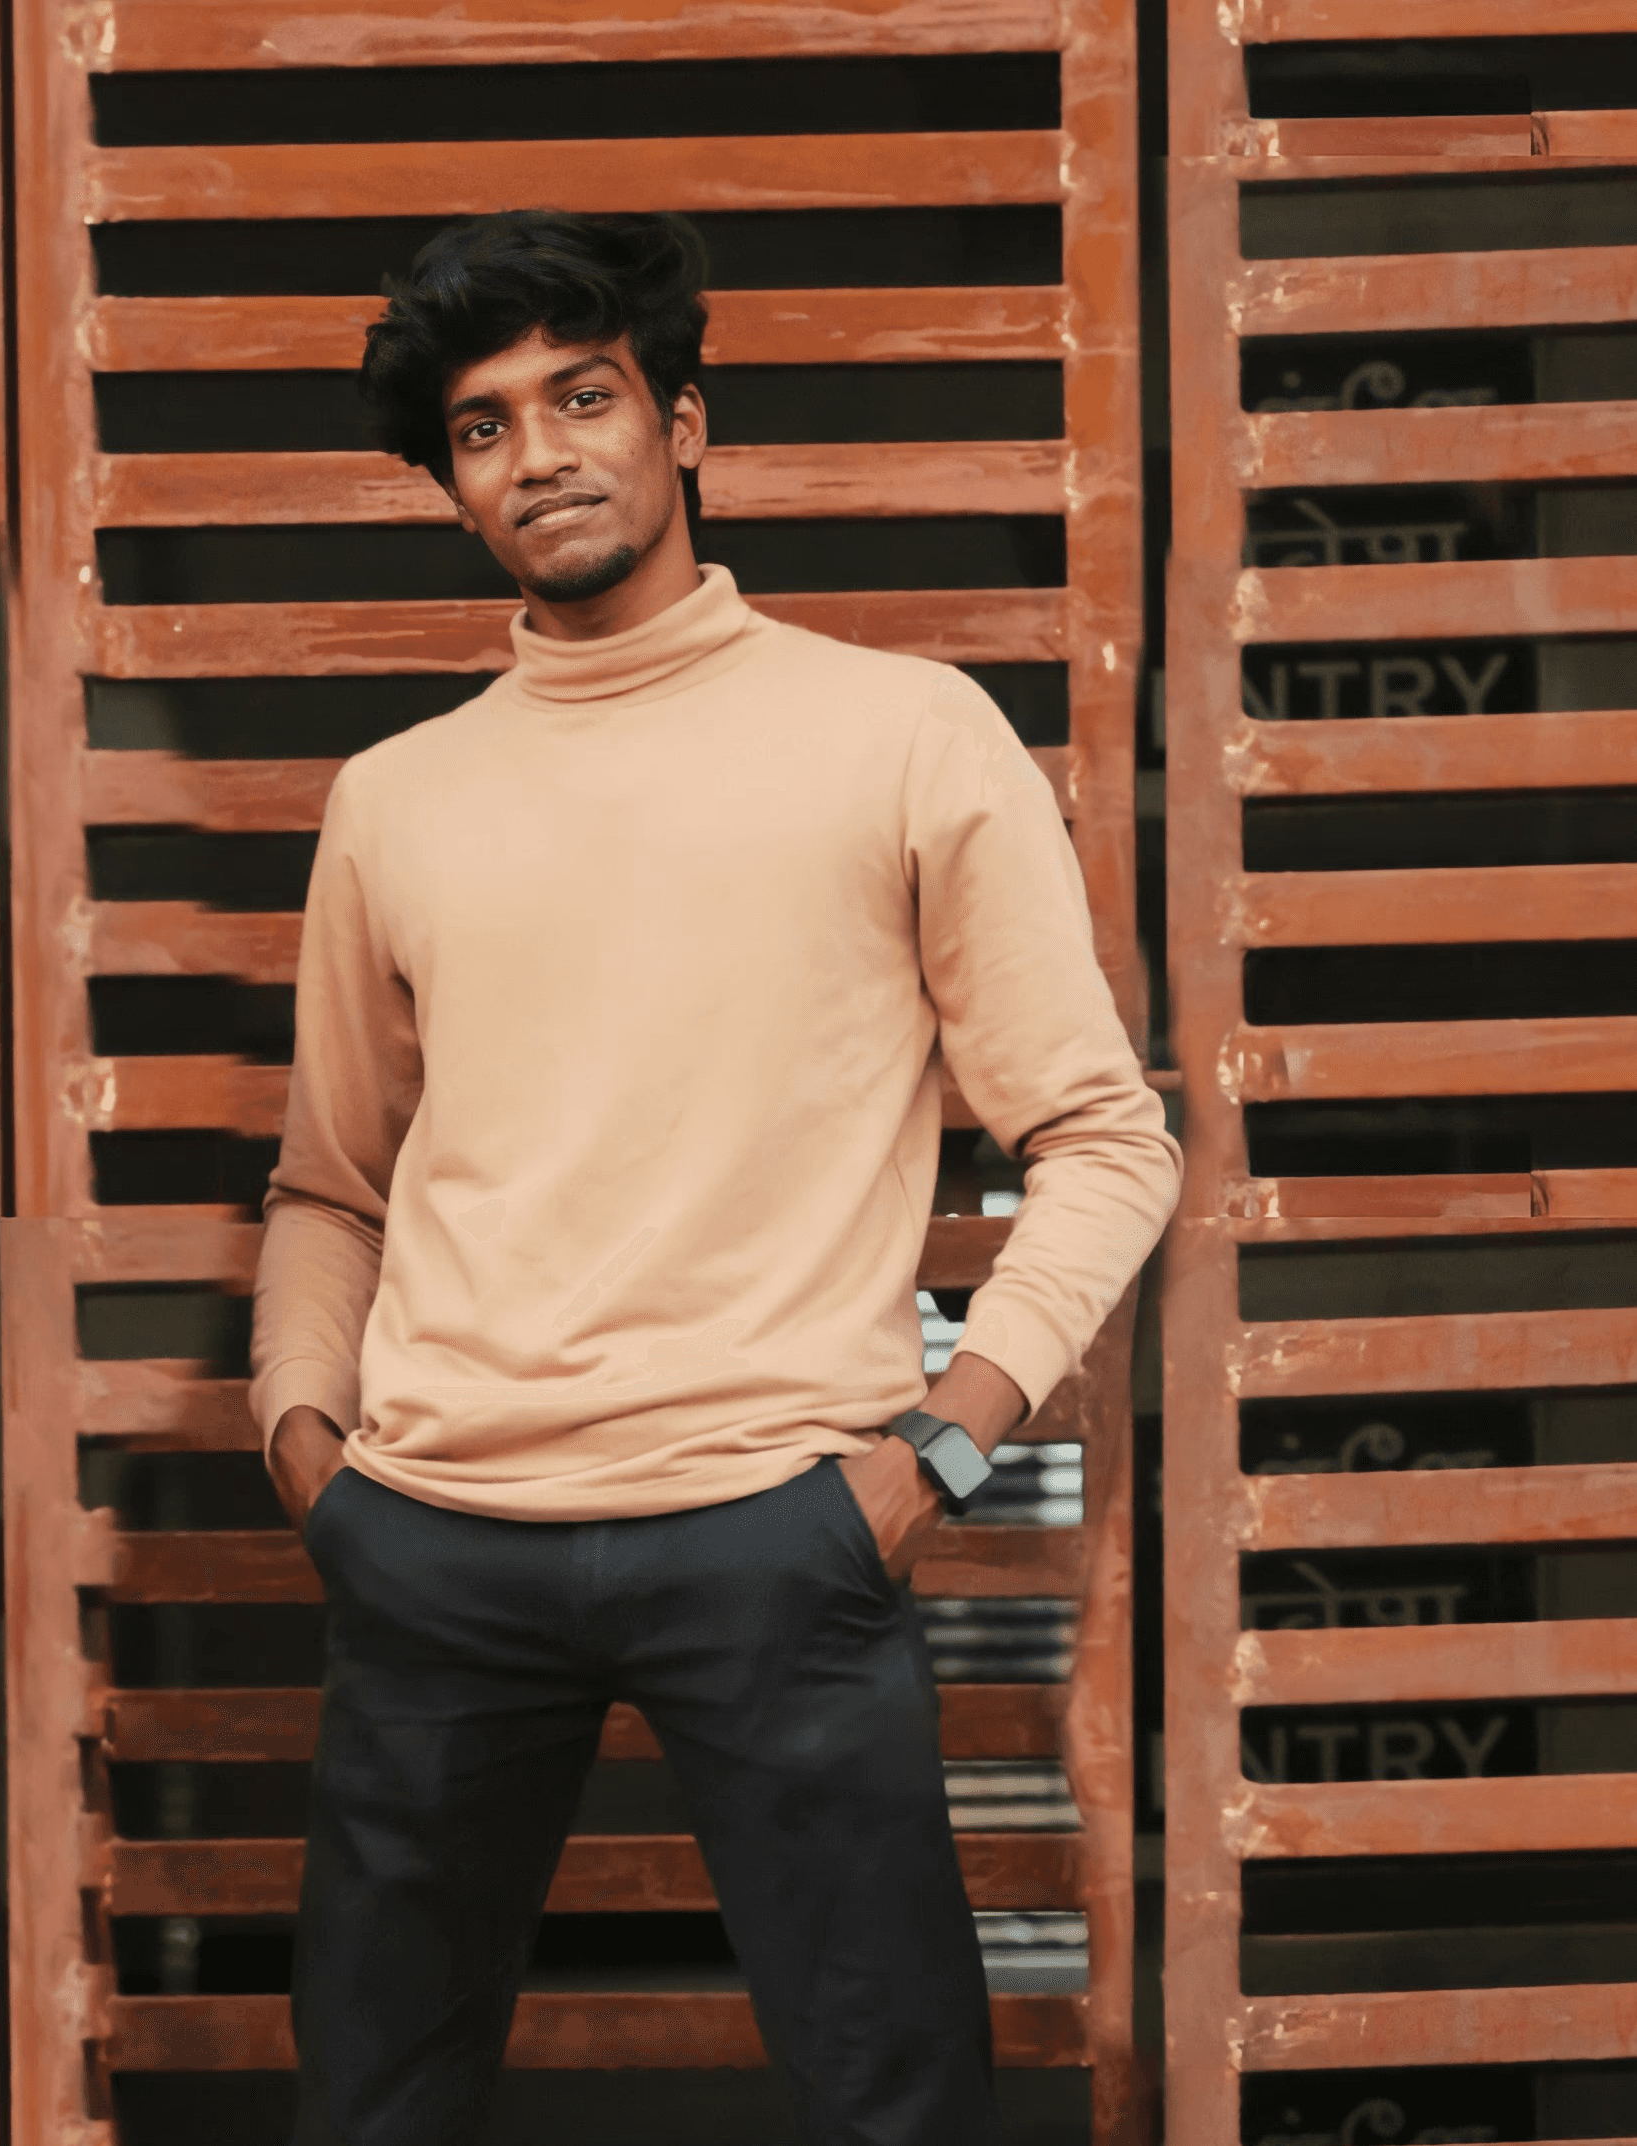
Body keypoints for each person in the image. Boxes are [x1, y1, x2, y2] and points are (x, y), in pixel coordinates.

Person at [251, 209, 1182, 2146]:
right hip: (433, 1535)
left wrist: (935, 1452)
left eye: (582, 397)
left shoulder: (900, 730)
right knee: (370, 2105)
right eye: (484, 426)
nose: (541, 452)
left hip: (782, 1526)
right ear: (451, 485)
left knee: (897, 2101)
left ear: (682, 423)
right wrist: (307, 1448)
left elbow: (1102, 1137)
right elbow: (333, 1183)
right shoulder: (395, 798)